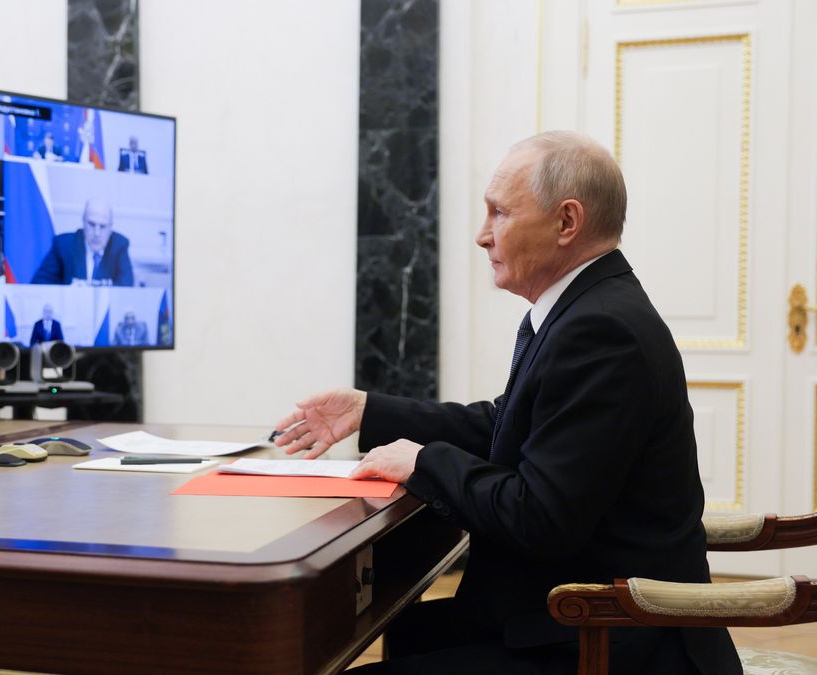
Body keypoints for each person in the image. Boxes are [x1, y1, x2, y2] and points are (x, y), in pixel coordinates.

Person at [274, 132, 740, 674]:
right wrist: (368, 411)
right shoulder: (586, 308)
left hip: (611, 640)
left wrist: (425, 462)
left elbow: (540, 516)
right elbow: (506, 426)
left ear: (567, 223)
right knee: (409, 630)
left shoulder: (602, 330)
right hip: (568, 613)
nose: (481, 236)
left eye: (499, 213)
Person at [31, 199, 134, 286]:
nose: (97, 233)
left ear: (111, 228)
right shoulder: (64, 245)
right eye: (91, 224)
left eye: (103, 226)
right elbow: (39, 285)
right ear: (83, 222)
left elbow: (126, 288)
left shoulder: (119, 246)